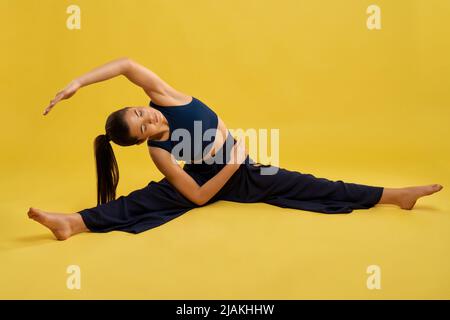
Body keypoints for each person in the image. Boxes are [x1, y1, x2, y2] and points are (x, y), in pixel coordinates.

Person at [28, 57, 444, 240]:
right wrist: (235, 161)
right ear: (140, 141)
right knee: (147, 200)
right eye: (142, 126)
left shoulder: (166, 97)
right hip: (221, 174)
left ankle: (394, 196)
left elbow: (125, 64)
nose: (150, 119)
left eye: (141, 112)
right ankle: (74, 223)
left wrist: (77, 84)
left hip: (236, 167)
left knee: (308, 184)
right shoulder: (160, 154)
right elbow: (199, 195)